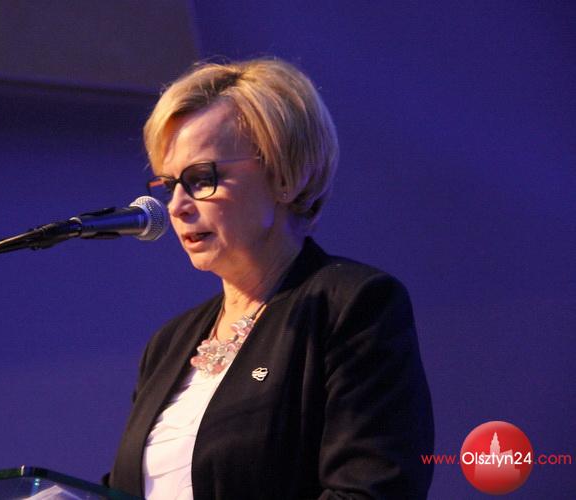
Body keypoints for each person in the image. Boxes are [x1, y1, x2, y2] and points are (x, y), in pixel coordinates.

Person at [107, 58, 434, 499]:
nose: (177, 206)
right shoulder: (168, 344)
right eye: (169, 185)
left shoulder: (352, 307)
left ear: (285, 175)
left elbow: (370, 490)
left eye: (201, 179)